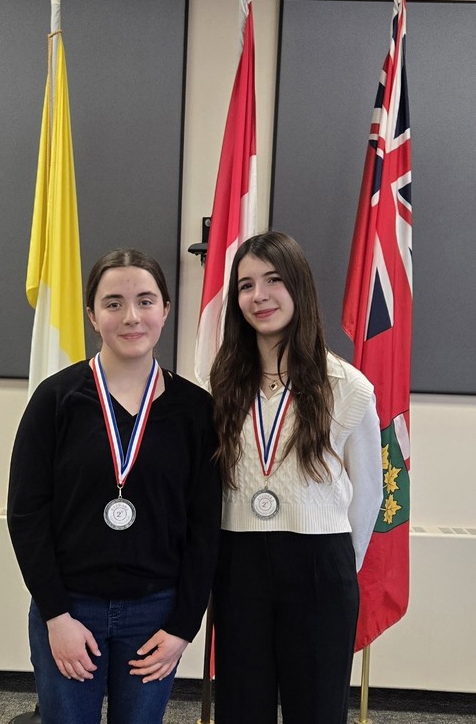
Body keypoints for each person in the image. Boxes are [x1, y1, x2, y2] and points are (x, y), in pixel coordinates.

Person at [7, 248, 221, 724]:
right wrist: (55, 616)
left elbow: (206, 527)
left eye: (146, 301)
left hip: (155, 615)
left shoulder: (195, 411)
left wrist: (184, 626)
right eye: (113, 303)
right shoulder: (55, 400)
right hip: (69, 610)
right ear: (92, 315)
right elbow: (26, 514)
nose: (131, 317)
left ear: (165, 310)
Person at [210, 231, 383, 724]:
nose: (258, 296)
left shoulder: (347, 387)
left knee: (317, 709)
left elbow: (368, 494)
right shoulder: (221, 382)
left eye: (273, 280)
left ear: (299, 288)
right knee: (242, 707)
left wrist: (334, 569)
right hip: (239, 561)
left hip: (318, 564)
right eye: (245, 285)